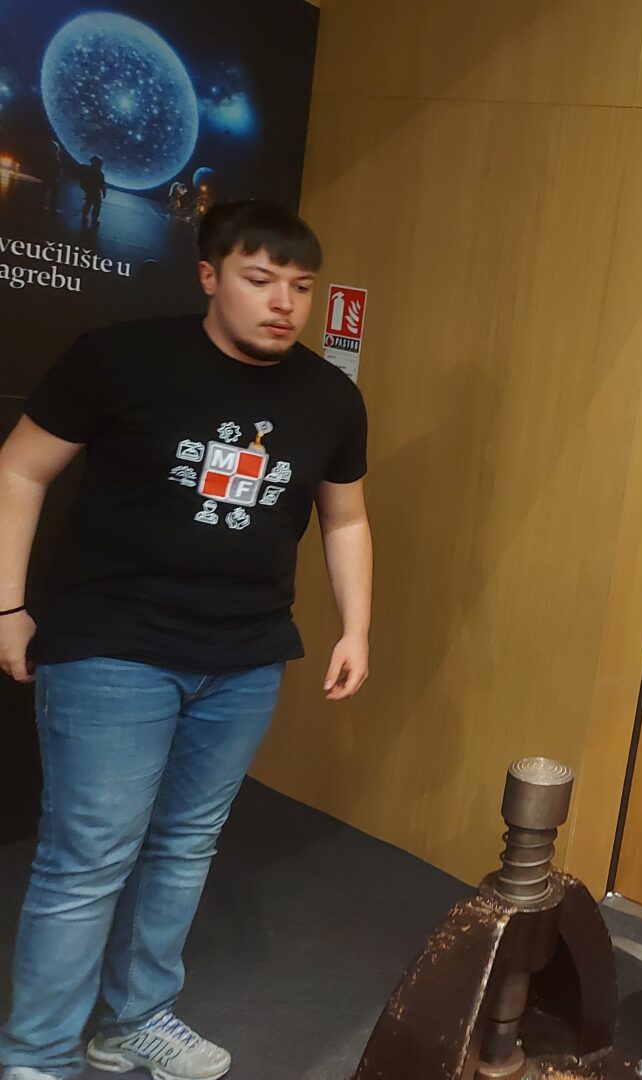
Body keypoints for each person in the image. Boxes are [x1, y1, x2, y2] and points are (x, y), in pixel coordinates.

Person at [0, 199, 373, 1080]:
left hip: (244, 656)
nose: (283, 303)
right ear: (209, 276)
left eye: (301, 287)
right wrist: (7, 607)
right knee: (90, 857)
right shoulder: (119, 358)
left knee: (185, 844)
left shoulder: (330, 396)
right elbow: (19, 468)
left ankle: (134, 1019)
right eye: (260, 280)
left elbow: (346, 519)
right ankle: (38, 1056)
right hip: (112, 644)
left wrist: (356, 627)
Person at [78, 156, 105, 228]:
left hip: (90, 191)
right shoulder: (99, 173)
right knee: (95, 205)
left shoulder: (88, 171)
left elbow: (83, 180)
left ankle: (86, 217)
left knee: (89, 204)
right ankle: (94, 219)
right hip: (94, 191)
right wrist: (104, 191)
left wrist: (84, 186)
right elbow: (102, 184)